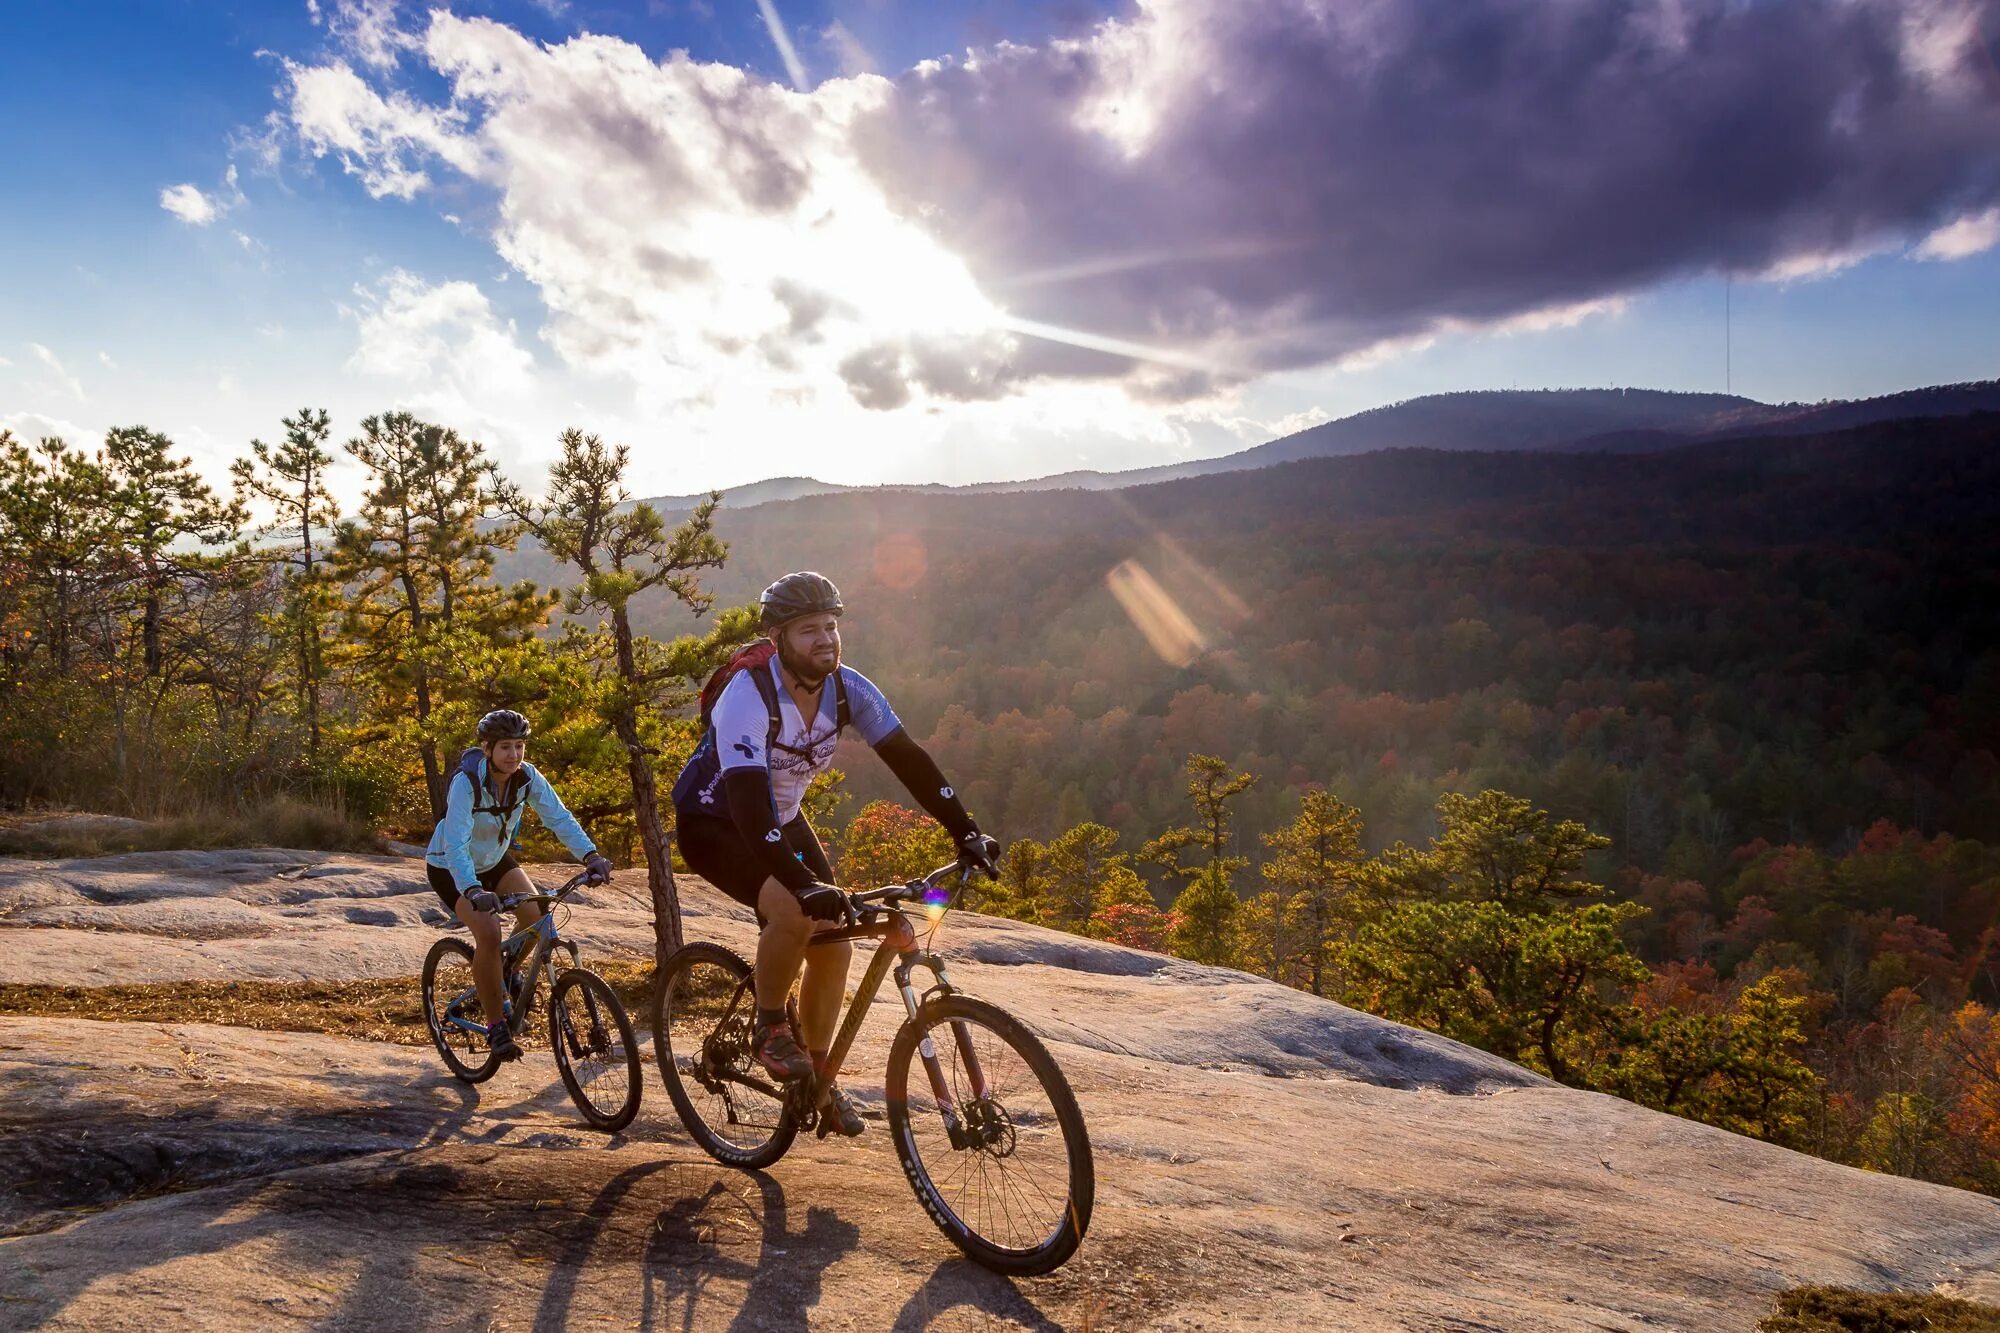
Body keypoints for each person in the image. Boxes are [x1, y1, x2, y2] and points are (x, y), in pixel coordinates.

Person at [671, 571, 997, 1136]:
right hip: (718, 823)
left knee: (834, 943)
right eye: (808, 631)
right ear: (778, 638)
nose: (825, 640)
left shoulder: (850, 689)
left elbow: (909, 760)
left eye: (831, 627)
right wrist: (797, 884)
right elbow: (748, 806)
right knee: (797, 911)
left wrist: (964, 830)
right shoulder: (747, 697)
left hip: (782, 819)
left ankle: (817, 1075)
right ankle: (770, 1026)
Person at [425, 709, 612, 1062]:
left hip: (495, 861)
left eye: (520, 746)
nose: (514, 755)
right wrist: (472, 890)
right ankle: (496, 1025)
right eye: (506, 747)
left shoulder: (527, 778)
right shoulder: (466, 783)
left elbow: (559, 817)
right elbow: (457, 844)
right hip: (451, 867)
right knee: (490, 934)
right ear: (487, 749)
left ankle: (505, 971)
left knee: (536, 915)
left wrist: (590, 856)